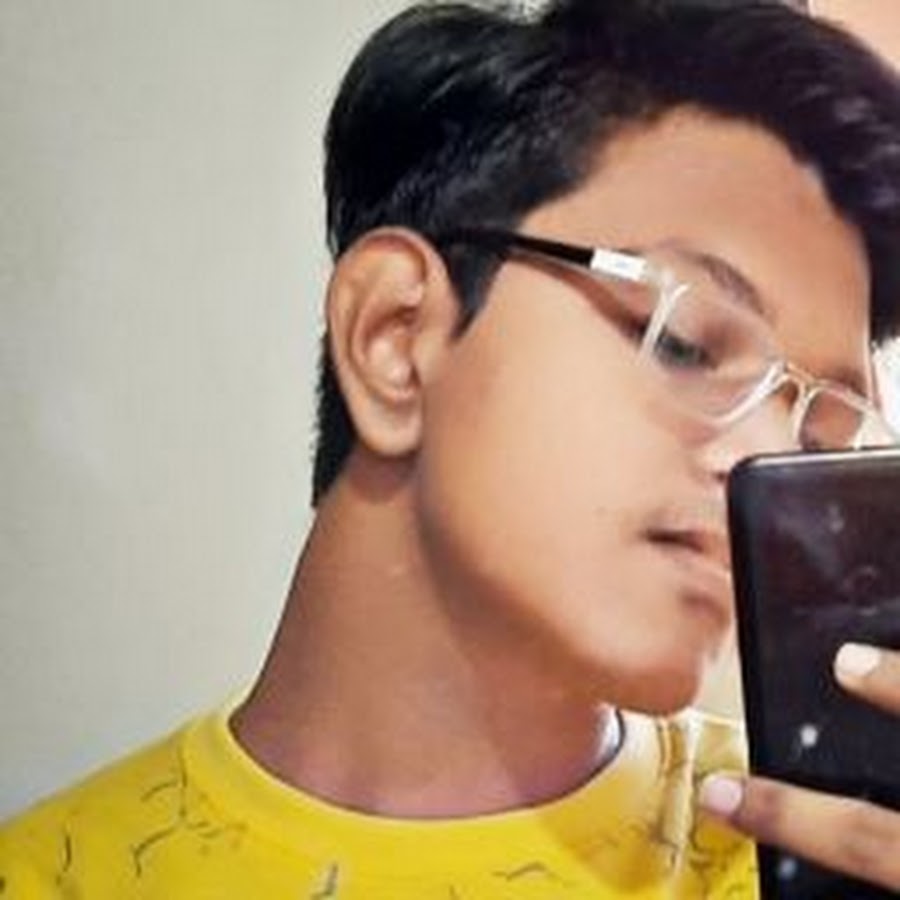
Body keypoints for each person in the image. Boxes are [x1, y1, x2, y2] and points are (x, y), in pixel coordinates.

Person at [3, 0, 900, 896]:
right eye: (687, 342)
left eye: (819, 432)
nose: (764, 463)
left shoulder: (824, 852)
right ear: (393, 336)